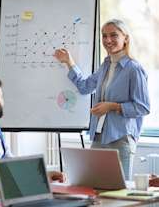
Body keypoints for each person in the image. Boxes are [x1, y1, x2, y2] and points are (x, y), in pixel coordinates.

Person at [54, 19, 150, 180]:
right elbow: (85, 87)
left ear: (125, 38)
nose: (108, 40)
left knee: (118, 195)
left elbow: (143, 107)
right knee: (94, 188)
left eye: (113, 35)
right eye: (104, 36)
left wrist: (112, 106)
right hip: (99, 136)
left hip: (121, 138)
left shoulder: (134, 69)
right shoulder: (105, 65)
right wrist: (69, 63)